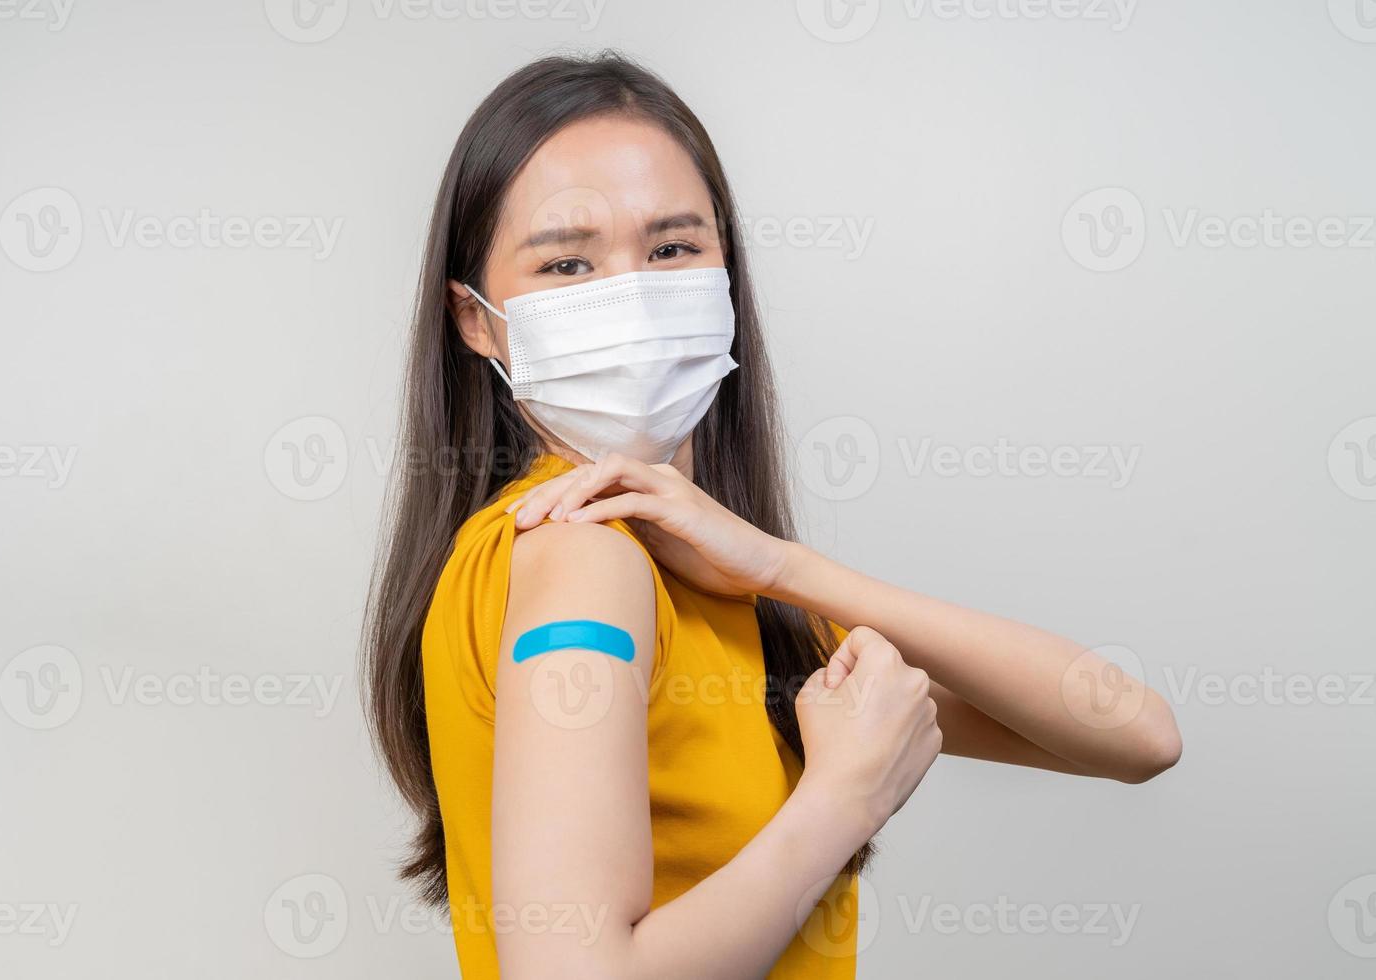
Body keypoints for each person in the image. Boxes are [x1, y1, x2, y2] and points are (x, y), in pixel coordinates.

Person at [365, 51, 1182, 979]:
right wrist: (844, 799)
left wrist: (784, 571)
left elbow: (1134, 733)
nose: (630, 290)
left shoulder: (717, 577)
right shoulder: (582, 559)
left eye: (672, 248)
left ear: (724, 272)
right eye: (567, 261)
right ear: (474, 318)